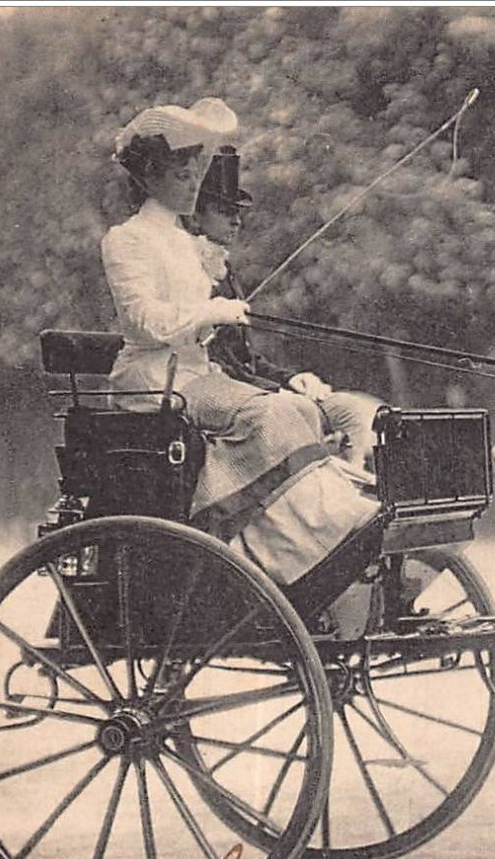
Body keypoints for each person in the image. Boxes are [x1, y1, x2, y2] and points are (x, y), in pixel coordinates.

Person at [100, 98, 382, 616]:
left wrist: (218, 315)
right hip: (153, 379)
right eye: (183, 175)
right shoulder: (126, 240)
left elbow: (204, 327)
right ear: (152, 178)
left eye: (195, 174)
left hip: (194, 374)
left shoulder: (186, 243)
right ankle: (245, 541)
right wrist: (211, 314)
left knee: (297, 409)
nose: (192, 184)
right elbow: (146, 321)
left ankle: (303, 536)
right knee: (268, 411)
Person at [186, 148, 385, 480]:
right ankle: (319, 490)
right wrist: (278, 389)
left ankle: (350, 483)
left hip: (259, 389)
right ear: (196, 216)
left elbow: (244, 357)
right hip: (231, 398)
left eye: (238, 212)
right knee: (303, 409)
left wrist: (291, 378)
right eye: (224, 211)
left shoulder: (223, 267)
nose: (236, 220)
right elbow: (221, 366)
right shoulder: (190, 272)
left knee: (350, 410)